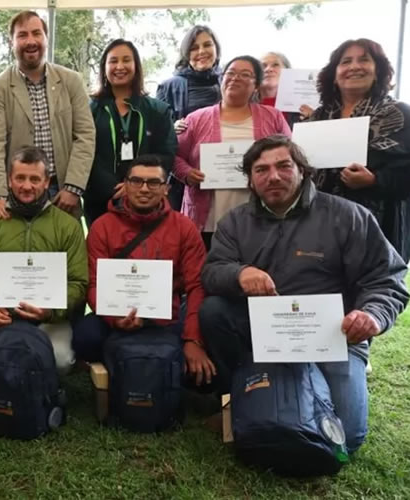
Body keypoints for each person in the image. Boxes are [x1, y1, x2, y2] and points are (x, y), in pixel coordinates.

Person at [199, 135, 409, 453]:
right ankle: (236, 390)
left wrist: (372, 316)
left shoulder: (349, 216)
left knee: (343, 437)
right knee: (213, 311)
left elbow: (386, 279)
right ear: (251, 180)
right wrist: (240, 273)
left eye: (283, 166)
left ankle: (277, 395)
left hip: (333, 338)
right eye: (261, 170)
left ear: (303, 170)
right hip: (263, 331)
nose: (273, 176)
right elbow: (213, 272)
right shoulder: (235, 222)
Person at [73, 155, 215, 386]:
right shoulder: (102, 226)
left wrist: (193, 340)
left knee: (202, 343)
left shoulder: (184, 228)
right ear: (125, 185)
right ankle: (125, 364)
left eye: (154, 183)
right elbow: (93, 281)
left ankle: (147, 365)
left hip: (166, 317)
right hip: (116, 315)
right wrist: (114, 318)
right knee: (83, 337)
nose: (144, 189)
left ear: (166, 188)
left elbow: (197, 284)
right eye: (136, 181)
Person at [0, 146, 88, 374]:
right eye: (20, 178)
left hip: (49, 318)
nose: (27, 186)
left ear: (46, 181)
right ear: (9, 180)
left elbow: (78, 282)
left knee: (60, 360)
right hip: (1, 317)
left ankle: (38, 392)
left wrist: (51, 311)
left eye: (34, 179)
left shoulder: (68, 226)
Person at [0, 10, 95, 219]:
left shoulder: (71, 81)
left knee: (63, 250)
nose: (30, 41)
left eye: (36, 33)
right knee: (20, 251)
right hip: (17, 193)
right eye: (22, 35)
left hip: (61, 191)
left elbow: (85, 135)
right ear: (12, 42)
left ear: (46, 38)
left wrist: (73, 187)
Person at [174, 55, 291, 248]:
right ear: (222, 78)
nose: (236, 78)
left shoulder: (273, 117)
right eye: (231, 73)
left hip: (260, 217)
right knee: (206, 274)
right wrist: (187, 173)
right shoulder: (195, 119)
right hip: (206, 221)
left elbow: (291, 156)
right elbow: (175, 156)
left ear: (256, 85)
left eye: (245, 75)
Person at [309, 38, 410, 262]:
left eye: (364, 60)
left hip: (378, 228)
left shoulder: (399, 114)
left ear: (378, 72)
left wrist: (375, 180)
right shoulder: (317, 117)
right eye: (345, 62)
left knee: (373, 294)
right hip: (318, 228)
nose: (354, 66)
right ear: (334, 75)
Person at [84, 39, 177, 226]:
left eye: (126, 60)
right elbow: (84, 153)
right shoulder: (88, 110)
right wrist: (112, 187)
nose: (120, 66)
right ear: (104, 67)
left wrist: (134, 185)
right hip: (100, 202)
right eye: (113, 61)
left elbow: (166, 154)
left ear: (136, 65)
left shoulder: (157, 110)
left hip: (147, 199)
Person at [156, 25, 222, 210]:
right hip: (183, 181)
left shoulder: (230, 81)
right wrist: (170, 128)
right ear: (186, 54)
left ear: (216, 48)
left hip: (228, 175)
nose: (201, 51)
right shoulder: (168, 86)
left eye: (207, 45)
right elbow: (155, 134)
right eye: (194, 48)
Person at [257, 51, 310, 126]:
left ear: (288, 71)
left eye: (275, 65)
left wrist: (313, 118)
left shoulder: (301, 107)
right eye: (263, 66)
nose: (268, 69)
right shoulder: (244, 104)